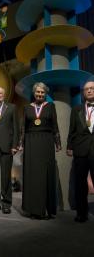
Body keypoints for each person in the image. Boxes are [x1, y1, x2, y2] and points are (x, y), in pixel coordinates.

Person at [21, 82, 61, 219]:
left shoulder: (51, 106)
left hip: (46, 141)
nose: (40, 94)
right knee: (33, 175)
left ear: (45, 94)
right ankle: (33, 209)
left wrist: (58, 143)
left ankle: (46, 208)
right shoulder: (27, 107)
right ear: (34, 93)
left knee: (45, 175)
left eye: (42, 92)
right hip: (31, 142)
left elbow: (55, 125)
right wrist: (21, 144)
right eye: (38, 92)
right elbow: (23, 128)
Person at [67, 79, 94, 222]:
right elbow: (72, 130)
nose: (89, 91)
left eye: (91, 88)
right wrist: (69, 146)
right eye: (86, 89)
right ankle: (81, 213)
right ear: (83, 93)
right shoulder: (76, 109)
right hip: (80, 151)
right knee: (80, 184)